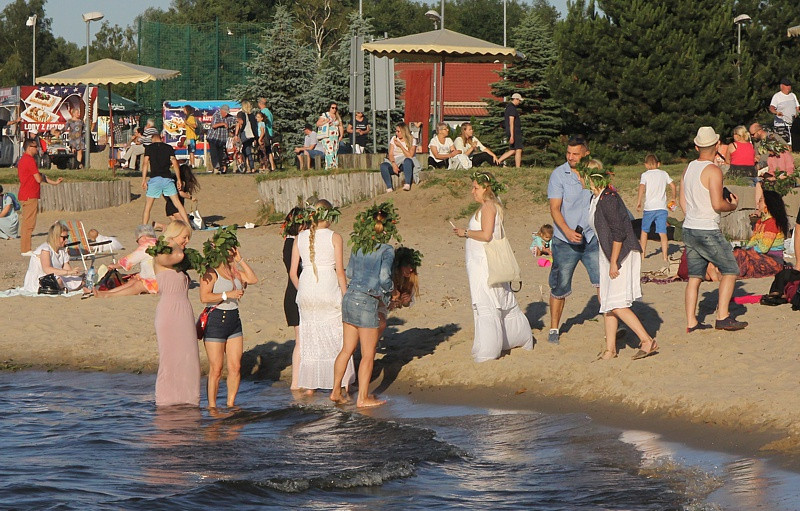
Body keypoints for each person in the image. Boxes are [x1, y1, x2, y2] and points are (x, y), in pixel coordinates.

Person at [452, 171, 533, 362]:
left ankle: (489, 351)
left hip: (484, 263)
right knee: (499, 299)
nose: (472, 191)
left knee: (486, 302)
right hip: (481, 261)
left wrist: (465, 232)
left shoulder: (488, 207)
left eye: (476, 188)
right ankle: (514, 338)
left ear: (486, 189)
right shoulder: (490, 206)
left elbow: (487, 235)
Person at [583, 160, 657, 360]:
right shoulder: (595, 197)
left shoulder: (609, 198)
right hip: (607, 253)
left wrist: (614, 261)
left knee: (616, 303)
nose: (579, 178)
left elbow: (618, 232)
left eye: (582, 175)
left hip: (621, 253)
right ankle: (610, 349)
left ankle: (647, 340)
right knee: (607, 302)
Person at [330, 202, 398, 407]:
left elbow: (349, 272)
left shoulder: (358, 246)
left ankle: (335, 391)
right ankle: (363, 398)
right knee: (368, 354)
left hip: (350, 296)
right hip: (367, 301)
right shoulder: (387, 249)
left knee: (346, 349)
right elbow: (385, 276)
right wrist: (391, 289)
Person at [681, 126, 747, 332]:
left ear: (696, 146)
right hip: (707, 228)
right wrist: (733, 205)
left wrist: (692, 215)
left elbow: (682, 201)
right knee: (730, 269)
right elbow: (718, 204)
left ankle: (692, 321)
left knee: (694, 277)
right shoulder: (713, 170)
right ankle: (723, 316)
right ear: (717, 145)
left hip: (689, 226)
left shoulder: (689, 168)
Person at [289, 200, 354, 394]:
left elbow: (293, 272)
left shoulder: (300, 237)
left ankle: (310, 386)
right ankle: (343, 382)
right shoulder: (335, 237)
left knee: (310, 337)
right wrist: (345, 295)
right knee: (337, 335)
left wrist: (303, 290)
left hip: (307, 288)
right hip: (327, 286)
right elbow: (340, 272)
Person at [546, 136, 599, 344]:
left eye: (575, 154)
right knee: (560, 286)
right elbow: (554, 208)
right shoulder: (559, 175)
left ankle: (615, 324)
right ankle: (553, 329)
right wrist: (567, 231)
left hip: (591, 238)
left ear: (586, 153)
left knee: (603, 283)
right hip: (564, 240)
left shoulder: (594, 172)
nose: (570, 157)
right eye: (568, 153)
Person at [199, 229, 258, 408]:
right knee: (216, 369)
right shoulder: (211, 271)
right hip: (216, 320)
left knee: (235, 367)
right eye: (230, 249)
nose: (233, 250)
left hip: (233, 319)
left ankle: (231, 404)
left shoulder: (234, 271)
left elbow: (253, 279)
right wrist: (227, 294)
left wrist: (240, 259)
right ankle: (212, 406)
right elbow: (204, 297)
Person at [152, 220, 201, 407]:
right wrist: (172, 241)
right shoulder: (161, 254)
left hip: (184, 311)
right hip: (169, 312)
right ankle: (166, 401)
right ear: (173, 235)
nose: (187, 241)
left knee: (189, 359)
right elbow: (178, 256)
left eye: (188, 237)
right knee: (170, 359)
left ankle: (188, 400)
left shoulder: (178, 255)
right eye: (185, 236)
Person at [17, 138, 63, 255]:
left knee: (28, 222)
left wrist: (54, 182)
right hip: (29, 194)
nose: (37, 148)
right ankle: (25, 249)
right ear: (28, 148)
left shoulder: (24, 160)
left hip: (27, 194)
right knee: (29, 223)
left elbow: (39, 176)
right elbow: (38, 178)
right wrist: (43, 177)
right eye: (34, 146)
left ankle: (26, 248)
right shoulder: (29, 160)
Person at [732, 190, 788, 279]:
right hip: (759, 256)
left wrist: (746, 251)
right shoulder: (760, 222)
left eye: (761, 200)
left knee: (741, 256)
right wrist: (745, 250)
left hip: (772, 261)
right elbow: (752, 242)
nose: (758, 203)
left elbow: (763, 248)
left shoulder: (772, 223)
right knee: (737, 253)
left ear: (768, 204)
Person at [141, 133, 191, 228]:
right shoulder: (168, 148)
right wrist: (179, 179)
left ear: (152, 139)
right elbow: (175, 163)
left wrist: (143, 179)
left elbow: (145, 163)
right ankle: (188, 225)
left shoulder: (149, 148)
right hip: (167, 179)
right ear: (161, 138)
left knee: (148, 207)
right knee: (178, 204)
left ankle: (144, 227)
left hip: (155, 179)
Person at [281, 208, 307, 390]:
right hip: (296, 294)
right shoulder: (292, 244)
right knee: (301, 340)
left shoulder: (292, 242)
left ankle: (300, 381)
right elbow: (294, 273)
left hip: (295, 292)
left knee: (303, 339)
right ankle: (296, 382)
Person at [22, 221, 85, 294]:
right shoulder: (45, 249)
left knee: (80, 281)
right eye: (64, 238)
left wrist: (75, 273)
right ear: (55, 237)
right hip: (41, 278)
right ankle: (62, 288)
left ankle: (64, 287)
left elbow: (67, 269)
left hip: (55, 276)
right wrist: (68, 272)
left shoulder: (62, 250)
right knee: (59, 281)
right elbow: (47, 269)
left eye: (67, 237)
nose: (66, 240)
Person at [96, 225, 159, 298]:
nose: (137, 243)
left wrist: (115, 265)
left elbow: (129, 260)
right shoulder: (158, 242)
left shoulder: (148, 245)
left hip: (157, 281)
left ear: (144, 237)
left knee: (138, 285)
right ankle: (107, 292)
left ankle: (110, 294)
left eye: (137, 240)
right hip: (158, 277)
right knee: (134, 281)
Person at [636, 154, 676, 261]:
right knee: (662, 232)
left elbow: (641, 187)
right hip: (662, 207)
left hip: (649, 208)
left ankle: (643, 255)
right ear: (658, 164)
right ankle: (664, 256)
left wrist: (639, 201)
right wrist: (673, 198)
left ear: (646, 165)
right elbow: (673, 185)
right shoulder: (664, 174)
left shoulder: (645, 175)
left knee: (644, 231)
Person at [377, 246, 422, 339]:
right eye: (408, 266)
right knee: (380, 324)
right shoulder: (386, 275)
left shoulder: (410, 278)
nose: (411, 270)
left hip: (382, 308)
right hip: (373, 303)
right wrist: (391, 300)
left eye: (413, 267)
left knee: (381, 325)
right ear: (399, 266)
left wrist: (405, 301)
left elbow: (406, 303)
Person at [380, 122, 419, 192]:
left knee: (408, 161)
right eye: (396, 131)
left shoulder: (412, 140)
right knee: (383, 166)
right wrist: (393, 164)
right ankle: (389, 187)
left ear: (404, 132)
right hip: (395, 161)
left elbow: (410, 155)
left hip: (404, 162)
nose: (396, 133)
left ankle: (407, 183)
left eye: (398, 131)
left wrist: (400, 145)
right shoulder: (394, 139)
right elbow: (391, 154)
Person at [162, 163, 199, 228]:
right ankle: (161, 226)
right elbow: (181, 193)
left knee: (177, 227)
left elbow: (164, 193)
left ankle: (158, 225)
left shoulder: (173, 181)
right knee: (184, 225)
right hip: (175, 207)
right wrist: (191, 197)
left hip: (169, 205)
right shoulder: (180, 182)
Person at [770, 78, 799, 150]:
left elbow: (797, 107)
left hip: (792, 123)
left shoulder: (793, 95)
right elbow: (771, 108)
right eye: (786, 86)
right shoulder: (777, 96)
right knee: (783, 144)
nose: (788, 87)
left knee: (794, 142)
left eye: (789, 85)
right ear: (782, 86)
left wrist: (797, 113)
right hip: (781, 125)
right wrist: (777, 112)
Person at [497, 92, 524, 167]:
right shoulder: (512, 108)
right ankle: (518, 167)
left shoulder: (508, 107)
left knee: (513, 150)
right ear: (515, 99)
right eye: (519, 100)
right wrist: (512, 135)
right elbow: (511, 122)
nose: (519, 102)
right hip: (514, 132)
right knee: (518, 149)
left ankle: (498, 161)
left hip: (512, 131)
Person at [207, 105, 234, 174]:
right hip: (213, 138)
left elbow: (236, 122)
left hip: (222, 140)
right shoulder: (216, 115)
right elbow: (213, 125)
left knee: (221, 154)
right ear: (221, 110)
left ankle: (220, 168)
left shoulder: (230, 117)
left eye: (227, 113)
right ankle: (216, 168)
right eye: (225, 112)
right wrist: (223, 124)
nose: (226, 114)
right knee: (214, 153)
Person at [316, 102, 343, 169]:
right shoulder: (325, 115)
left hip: (335, 136)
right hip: (327, 136)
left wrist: (341, 135)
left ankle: (329, 167)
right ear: (329, 108)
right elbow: (318, 124)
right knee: (329, 151)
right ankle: (332, 166)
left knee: (335, 151)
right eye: (332, 108)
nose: (334, 109)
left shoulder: (337, 116)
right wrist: (326, 121)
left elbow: (340, 126)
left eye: (335, 108)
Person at [235, 100, 258, 173]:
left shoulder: (241, 114)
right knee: (247, 149)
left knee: (246, 151)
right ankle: (248, 167)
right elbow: (254, 127)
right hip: (251, 135)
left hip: (244, 134)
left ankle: (249, 167)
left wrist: (236, 134)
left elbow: (239, 124)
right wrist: (255, 137)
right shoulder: (252, 116)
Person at [257, 97, 276, 172]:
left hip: (265, 134)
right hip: (270, 132)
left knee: (264, 151)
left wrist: (260, 138)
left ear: (260, 104)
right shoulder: (269, 112)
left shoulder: (263, 112)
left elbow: (263, 128)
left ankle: (266, 166)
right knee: (268, 151)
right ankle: (272, 166)